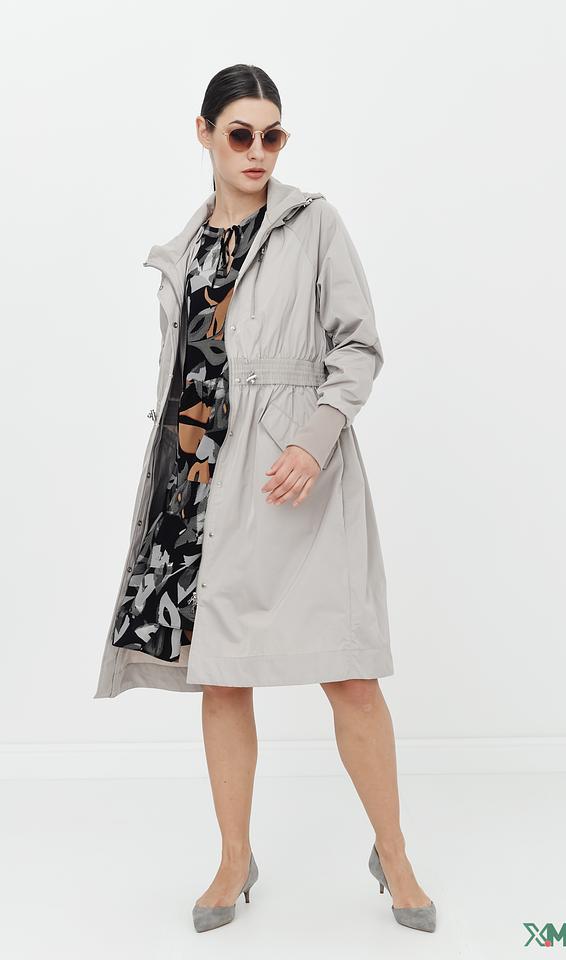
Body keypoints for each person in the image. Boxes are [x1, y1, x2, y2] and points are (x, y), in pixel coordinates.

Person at [94, 63, 436, 935]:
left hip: (296, 475)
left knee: (349, 672)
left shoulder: (314, 223)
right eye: (240, 133)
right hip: (199, 480)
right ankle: (233, 857)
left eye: (272, 134)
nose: (257, 150)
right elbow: (189, 370)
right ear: (204, 133)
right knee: (223, 676)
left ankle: (394, 853)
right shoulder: (183, 247)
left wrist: (312, 439)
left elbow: (358, 346)